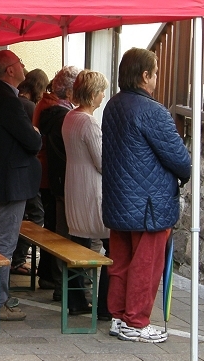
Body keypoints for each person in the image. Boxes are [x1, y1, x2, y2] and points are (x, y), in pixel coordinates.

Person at [102, 48, 191, 343]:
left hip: (120, 197)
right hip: (149, 202)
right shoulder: (152, 111)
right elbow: (179, 158)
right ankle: (136, 322)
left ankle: (119, 316)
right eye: (154, 73)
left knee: (121, 259)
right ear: (144, 76)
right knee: (146, 264)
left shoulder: (114, 105)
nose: (156, 78)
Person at [0, 50, 42, 321]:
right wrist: (35, 133)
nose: (24, 65)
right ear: (10, 71)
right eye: (20, 62)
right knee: (3, 242)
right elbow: (32, 141)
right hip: (11, 181)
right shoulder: (7, 99)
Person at [62, 69, 111, 320]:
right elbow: (102, 161)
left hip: (74, 185)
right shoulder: (89, 122)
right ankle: (106, 306)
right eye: (102, 91)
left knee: (77, 246)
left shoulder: (70, 117)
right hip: (92, 189)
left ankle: (76, 300)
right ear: (92, 95)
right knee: (112, 249)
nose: (104, 95)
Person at [34, 66, 82, 308]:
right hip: (57, 178)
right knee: (59, 230)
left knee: (52, 226)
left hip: (48, 175)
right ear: (71, 91)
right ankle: (58, 280)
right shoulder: (61, 114)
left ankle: (50, 276)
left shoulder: (47, 106)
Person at [10, 68, 50, 276]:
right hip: (26, 170)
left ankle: (16, 258)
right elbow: (33, 141)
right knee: (36, 214)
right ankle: (18, 259)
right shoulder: (28, 107)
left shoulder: (13, 102)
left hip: (8, 171)